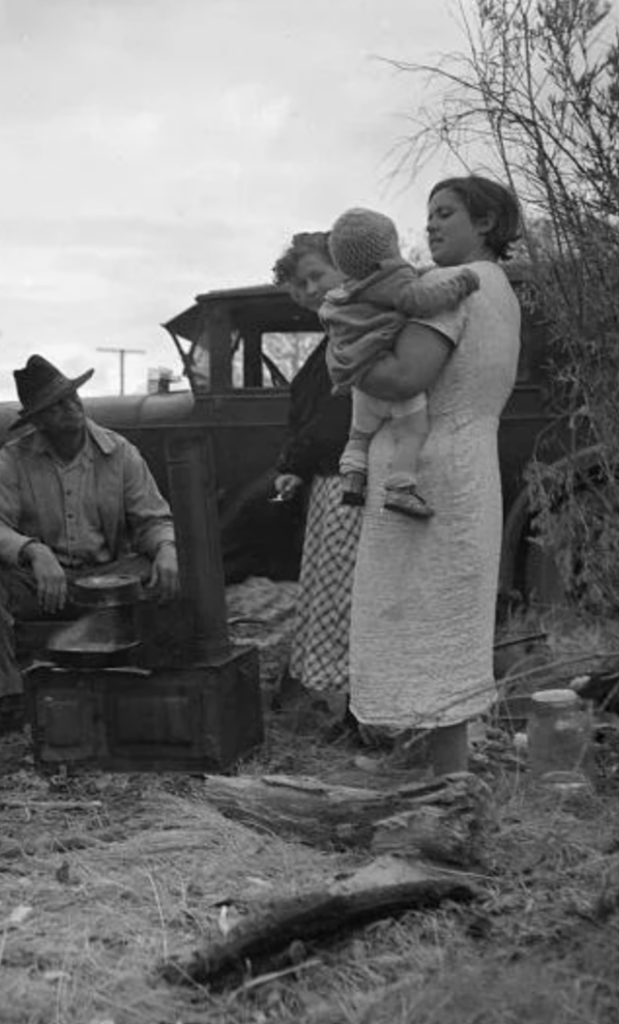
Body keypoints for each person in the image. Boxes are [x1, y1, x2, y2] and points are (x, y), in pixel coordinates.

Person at [348, 175, 523, 777]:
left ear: (486, 224)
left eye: (446, 213)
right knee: (443, 621)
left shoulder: (449, 289)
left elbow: (401, 379)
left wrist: (341, 355)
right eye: (429, 215)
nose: (431, 225)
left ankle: (441, 784)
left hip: (429, 472)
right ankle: (439, 770)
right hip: (467, 465)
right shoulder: (500, 288)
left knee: (421, 617)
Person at [0, 355, 180, 740]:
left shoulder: (119, 452)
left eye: (72, 397)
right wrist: (33, 551)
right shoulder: (15, 458)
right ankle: (5, 700)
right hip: (43, 585)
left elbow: (152, 520)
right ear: (38, 420)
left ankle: (146, 684)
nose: (71, 408)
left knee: (158, 566)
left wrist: (165, 547)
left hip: (105, 585)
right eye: (56, 405)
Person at [322, 207, 480, 518]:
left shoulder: (342, 293)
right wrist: (461, 284)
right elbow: (419, 302)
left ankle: (352, 480)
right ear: (386, 251)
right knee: (412, 434)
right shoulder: (392, 278)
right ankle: (400, 489)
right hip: (393, 384)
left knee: (358, 436)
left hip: (361, 386)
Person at [270, 232, 360, 728]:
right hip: (329, 485)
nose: (310, 290)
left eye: (316, 276)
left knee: (351, 600)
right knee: (333, 598)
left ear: (344, 267)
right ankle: (346, 706)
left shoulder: (361, 328)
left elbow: (336, 417)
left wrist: (296, 460)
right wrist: (293, 467)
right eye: (301, 286)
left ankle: (361, 710)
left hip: (355, 483)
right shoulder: (332, 336)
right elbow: (308, 415)